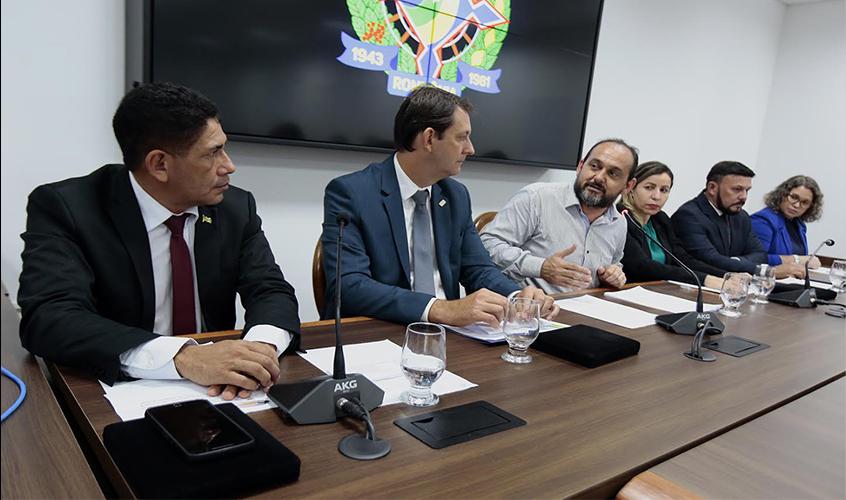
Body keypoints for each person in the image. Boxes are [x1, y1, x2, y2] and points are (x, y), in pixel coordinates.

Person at [18, 82, 301, 400]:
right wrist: (183, 358)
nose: (229, 166)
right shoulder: (69, 208)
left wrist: (258, 352)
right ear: (159, 164)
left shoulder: (235, 208)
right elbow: (49, 318)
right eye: (213, 153)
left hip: (218, 390)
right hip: (118, 390)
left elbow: (270, 290)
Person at [320, 85, 558, 327]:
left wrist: (517, 297)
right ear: (429, 139)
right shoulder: (352, 193)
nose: (470, 149)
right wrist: (439, 308)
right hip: (380, 331)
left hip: (449, 334)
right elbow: (349, 286)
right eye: (461, 137)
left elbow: (478, 269)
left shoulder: (456, 196)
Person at [479, 139, 637, 294]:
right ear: (580, 167)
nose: (599, 177)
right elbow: (488, 245)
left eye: (613, 173)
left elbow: (615, 263)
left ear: (628, 186)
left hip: (587, 306)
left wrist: (613, 275)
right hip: (530, 305)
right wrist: (540, 267)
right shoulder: (536, 198)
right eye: (594, 166)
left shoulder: (619, 223)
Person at [671, 161, 804, 278]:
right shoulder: (689, 215)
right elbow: (710, 259)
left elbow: (760, 254)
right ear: (712, 188)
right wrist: (766, 271)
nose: (744, 197)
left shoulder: (741, 217)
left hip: (735, 285)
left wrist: (734, 261)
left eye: (747, 190)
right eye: (737, 189)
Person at [618, 162, 726, 289]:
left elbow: (682, 259)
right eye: (649, 188)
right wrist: (705, 280)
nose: (657, 196)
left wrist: (725, 276)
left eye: (664, 190)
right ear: (631, 187)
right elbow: (642, 266)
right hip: (629, 291)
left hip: (659, 290)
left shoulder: (660, 219)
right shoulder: (621, 217)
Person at [751, 175, 824, 268]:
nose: (797, 205)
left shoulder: (799, 225)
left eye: (805, 202)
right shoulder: (763, 220)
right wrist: (797, 260)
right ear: (782, 194)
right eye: (794, 197)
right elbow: (756, 259)